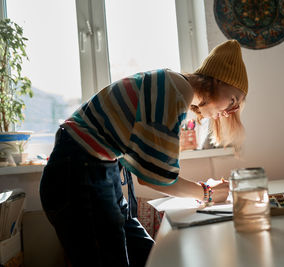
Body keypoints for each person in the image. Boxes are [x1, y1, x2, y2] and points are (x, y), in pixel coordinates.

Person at [39, 39, 248, 267]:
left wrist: (202, 191)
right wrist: (207, 193)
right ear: (216, 81)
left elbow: (156, 172)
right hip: (78, 172)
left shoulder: (172, 86)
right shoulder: (175, 89)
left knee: (152, 257)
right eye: (233, 100)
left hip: (95, 167)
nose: (230, 112)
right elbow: (155, 178)